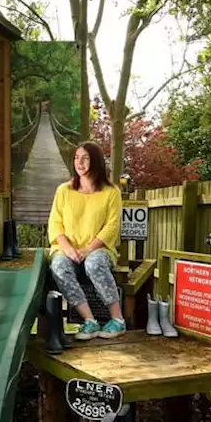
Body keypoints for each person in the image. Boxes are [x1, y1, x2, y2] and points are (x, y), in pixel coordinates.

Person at [47, 142, 126, 340]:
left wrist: (88, 250)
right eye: (76, 158)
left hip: (99, 250)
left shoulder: (111, 192)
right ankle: (89, 321)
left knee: (94, 262)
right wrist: (67, 248)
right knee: (58, 266)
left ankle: (117, 320)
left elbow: (112, 226)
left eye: (85, 158)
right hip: (66, 249)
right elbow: (55, 223)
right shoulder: (63, 190)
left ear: (96, 161)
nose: (79, 162)